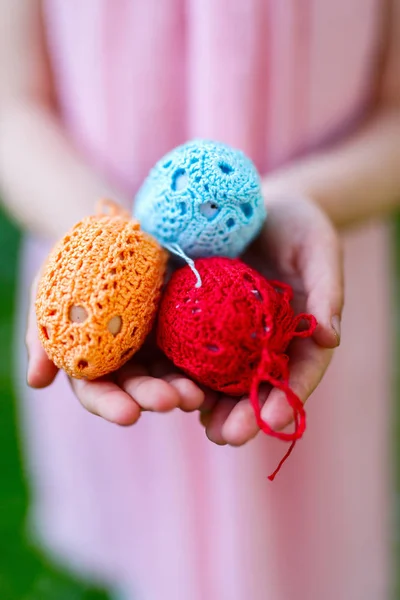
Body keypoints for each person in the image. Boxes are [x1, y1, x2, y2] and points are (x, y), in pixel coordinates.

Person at [0, 1, 399, 598]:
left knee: (308, 557)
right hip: (105, 283)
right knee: (143, 536)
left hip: (300, 287)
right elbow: (12, 106)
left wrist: (295, 200)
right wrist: (109, 240)